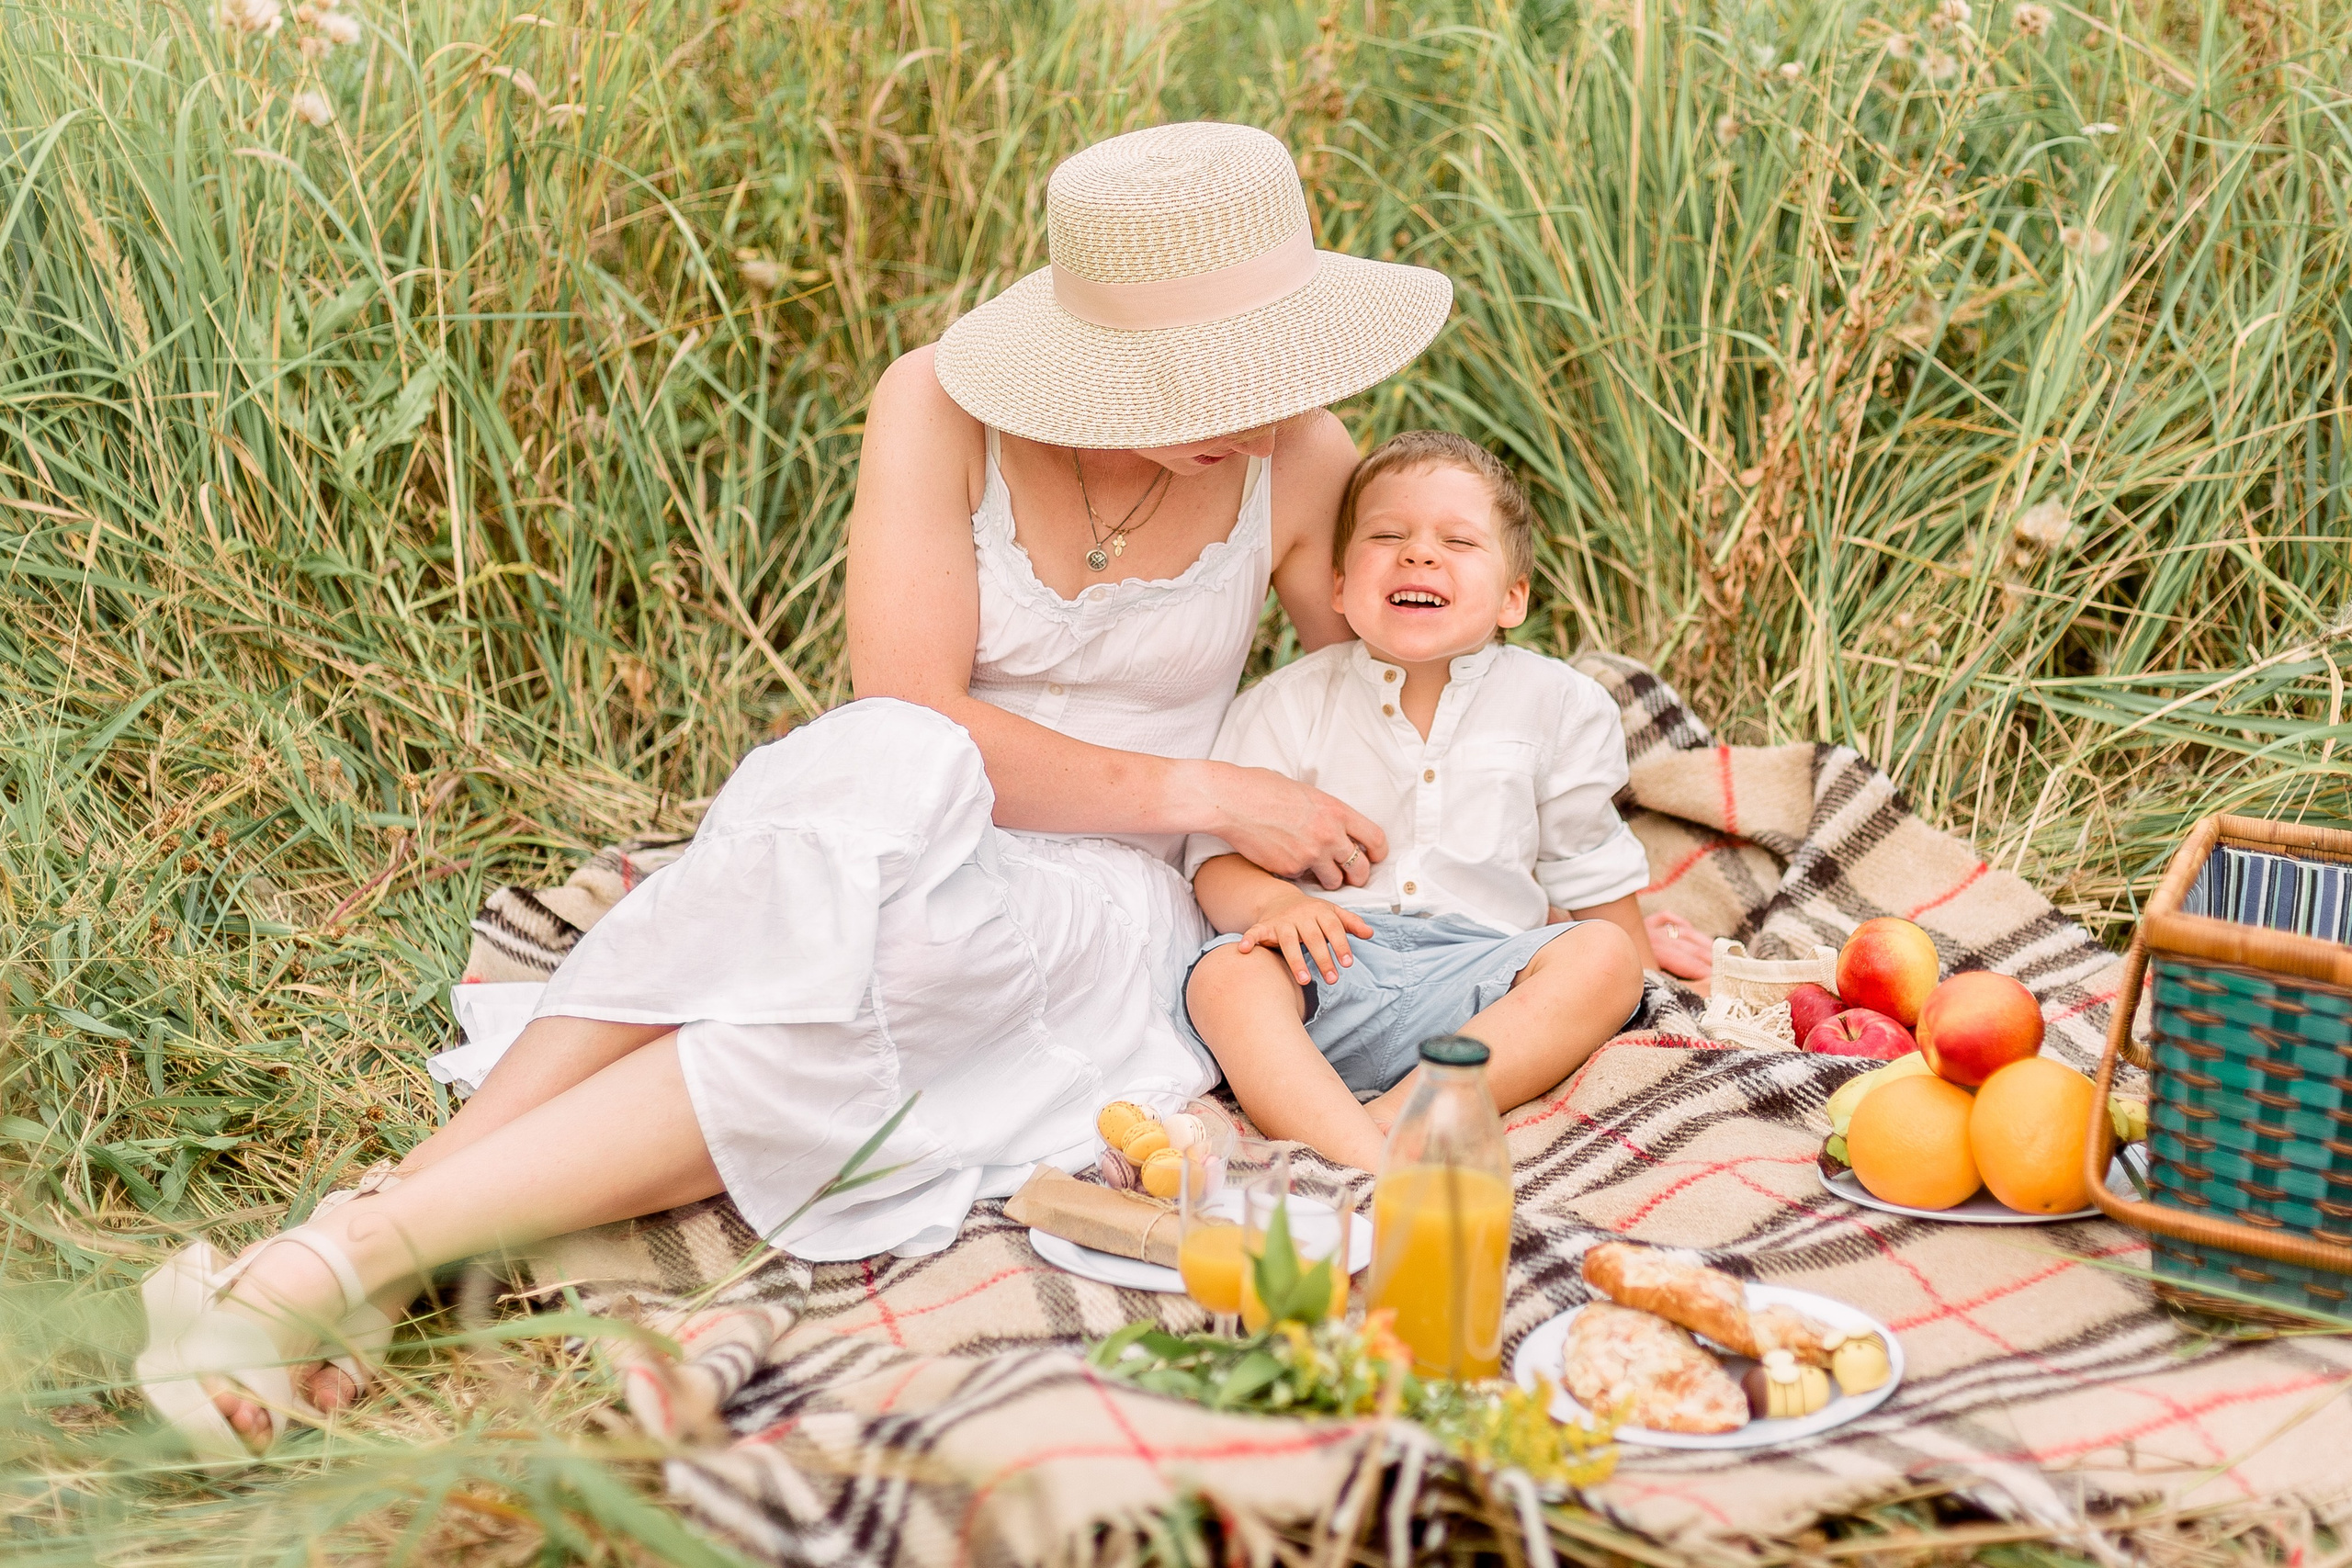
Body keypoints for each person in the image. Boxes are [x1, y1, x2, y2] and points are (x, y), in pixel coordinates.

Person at [134, 121, 1455, 1459]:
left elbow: (1360, 719)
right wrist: (1209, 783)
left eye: (1267, 366)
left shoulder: (1301, 456)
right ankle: (384, 1230)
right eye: (1201, 378)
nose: (1251, 415)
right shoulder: (939, 406)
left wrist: (1411, 842)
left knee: (877, 981)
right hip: (901, 807)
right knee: (884, 773)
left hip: (1109, 885)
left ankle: (350, 1249)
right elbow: (914, 704)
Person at [1181, 431, 1656, 1171]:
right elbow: (1213, 859)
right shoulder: (1286, 704)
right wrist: (1277, 905)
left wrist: (1643, 971)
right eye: (1387, 536)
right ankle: (1364, 1155)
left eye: (1457, 541)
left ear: (1513, 597)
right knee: (1223, 977)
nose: (1419, 555)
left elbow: (1590, 865)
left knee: (1604, 958)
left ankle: (1385, 1125)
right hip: (1329, 970)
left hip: (1485, 987)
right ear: (1339, 586)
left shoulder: (1560, 703)